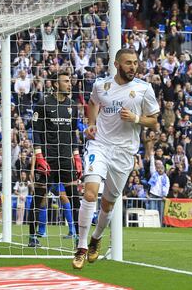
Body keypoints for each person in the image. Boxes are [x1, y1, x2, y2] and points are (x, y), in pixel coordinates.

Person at [72, 48, 159, 269]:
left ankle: (96, 238)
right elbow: (92, 103)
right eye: (128, 63)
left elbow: (154, 121)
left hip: (124, 152)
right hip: (99, 145)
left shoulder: (143, 89)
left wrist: (137, 118)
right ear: (117, 64)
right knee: (90, 193)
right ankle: (81, 246)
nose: (133, 67)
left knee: (108, 203)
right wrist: (91, 124)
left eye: (135, 63)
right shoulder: (101, 85)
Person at [29, 71, 82, 247]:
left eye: (70, 81)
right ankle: (33, 237)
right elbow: (36, 132)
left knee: (74, 198)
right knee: (38, 197)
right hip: (48, 160)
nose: (70, 84)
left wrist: (77, 157)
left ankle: (78, 239)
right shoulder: (43, 104)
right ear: (55, 84)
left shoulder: (73, 106)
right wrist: (38, 156)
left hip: (66, 159)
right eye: (66, 81)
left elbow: (73, 133)